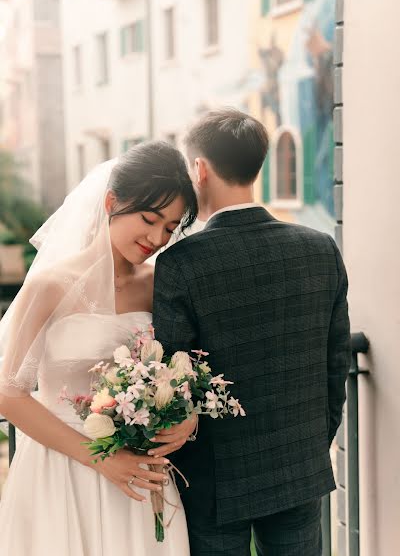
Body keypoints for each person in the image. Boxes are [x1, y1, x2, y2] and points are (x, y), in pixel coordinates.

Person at [152, 109, 351, 556]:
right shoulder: (320, 249)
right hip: (300, 465)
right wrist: (310, 442)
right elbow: (335, 364)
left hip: (215, 480)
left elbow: (172, 375)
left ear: (199, 170)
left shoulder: (181, 263)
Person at [0, 141, 198, 555]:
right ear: (111, 202)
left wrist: (188, 418)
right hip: (60, 471)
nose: (157, 237)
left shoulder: (161, 283)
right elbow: (8, 394)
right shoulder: (50, 285)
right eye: (149, 219)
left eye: (170, 227)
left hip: (140, 476)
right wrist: (102, 459)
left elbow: (183, 363)